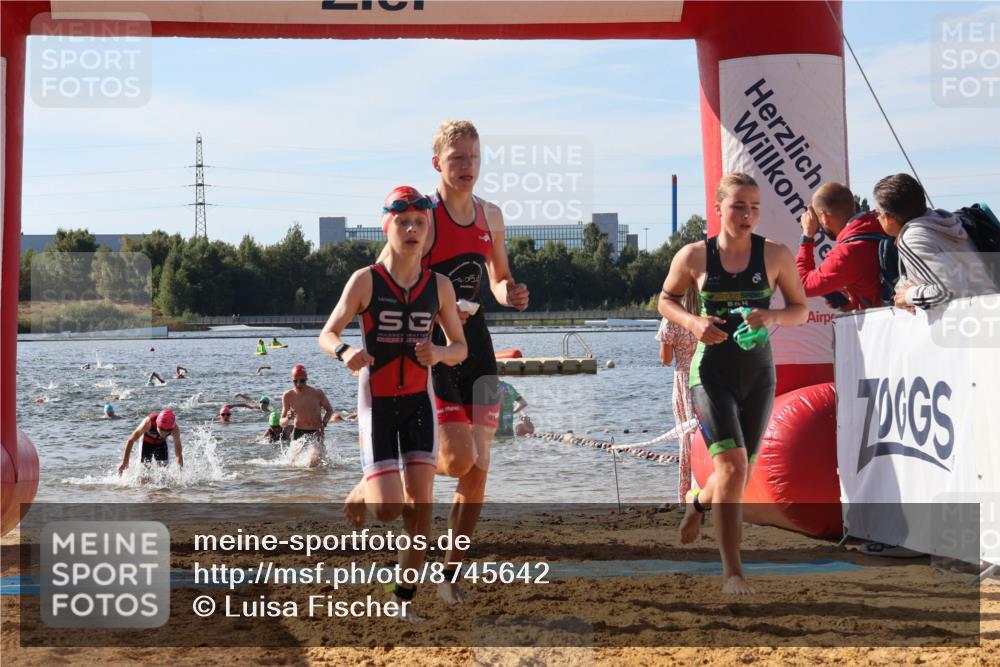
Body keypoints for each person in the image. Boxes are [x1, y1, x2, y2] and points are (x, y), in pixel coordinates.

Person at [389, 120, 528, 605]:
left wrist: (510, 293)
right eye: (457, 158)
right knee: (458, 459)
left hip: (478, 345)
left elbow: (498, 278)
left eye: (474, 157)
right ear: (437, 164)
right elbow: (390, 275)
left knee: (479, 470)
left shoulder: (491, 215)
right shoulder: (423, 217)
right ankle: (408, 468)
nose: (467, 166)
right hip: (434, 348)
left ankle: (450, 574)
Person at [320, 185, 467, 616]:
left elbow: (460, 348)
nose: (412, 230)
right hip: (378, 405)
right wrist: (345, 351)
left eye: (420, 223)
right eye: (403, 222)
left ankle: (402, 599)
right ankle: (364, 486)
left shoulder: (439, 286)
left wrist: (438, 352)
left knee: (421, 512)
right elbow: (327, 333)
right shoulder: (365, 280)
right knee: (386, 510)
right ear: (387, 227)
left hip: (420, 404)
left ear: (428, 231)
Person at [658, 173, 808, 595]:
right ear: (718, 209)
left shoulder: (775, 254)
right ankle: (733, 574)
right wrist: (694, 323)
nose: (747, 215)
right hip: (710, 373)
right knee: (732, 467)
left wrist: (771, 316)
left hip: (758, 374)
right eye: (738, 206)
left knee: (737, 476)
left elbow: (799, 308)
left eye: (754, 207)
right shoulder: (694, 255)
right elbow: (665, 300)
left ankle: (698, 503)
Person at [873, 173, 996, 312]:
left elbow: (949, 289)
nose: (877, 218)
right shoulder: (943, 221)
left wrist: (909, 296)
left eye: (877, 213)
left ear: (888, 217)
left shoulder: (912, 238)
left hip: (972, 317)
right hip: (989, 309)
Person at [797, 182, 885, 310]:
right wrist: (853, 302)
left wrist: (807, 236)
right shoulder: (881, 225)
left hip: (887, 321)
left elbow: (801, 286)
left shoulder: (846, 253)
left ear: (825, 217)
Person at [655, 284, 699, 504]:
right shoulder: (707, 314)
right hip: (709, 378)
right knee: (707, 437)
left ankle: (688, 494)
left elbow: (665, 359)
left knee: (687, 438)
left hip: (684, 381)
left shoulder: (672, 318)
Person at [280, 364, 334, 467]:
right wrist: (287, 418)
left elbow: (329, 410)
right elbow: (281, 423)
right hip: (298, 432)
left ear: (306, 379)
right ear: (292, 380)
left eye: (302, 381)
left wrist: (323, 424)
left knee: (313, 461)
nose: (299, 384)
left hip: (316, 432)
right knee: (291, 464)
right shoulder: (288, 395)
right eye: (295, 381)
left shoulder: (317, 393)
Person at [118, 408, 182, 474]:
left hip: (161, 443)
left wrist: (179, 472)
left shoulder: (175, 429)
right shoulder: (148, 422)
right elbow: (131, 440)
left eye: (168, 430)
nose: (164, 433)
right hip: (146, 443)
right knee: (144, 472)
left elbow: (178, 454)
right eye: (161, 429)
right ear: (157, 423)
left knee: (164, 472)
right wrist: (125, 463)